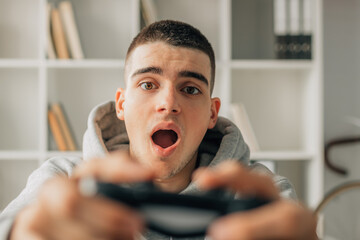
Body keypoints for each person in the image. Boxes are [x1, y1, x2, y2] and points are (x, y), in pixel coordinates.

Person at [0, 20, 317, 240]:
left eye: (190, 89)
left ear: (212, 113)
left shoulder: (263, 196)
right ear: (121, 105)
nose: (168, 103)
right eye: (148, 84)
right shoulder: (64, 180)